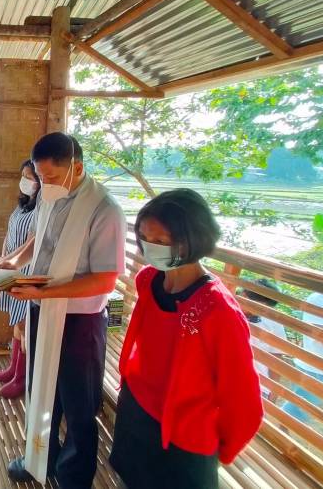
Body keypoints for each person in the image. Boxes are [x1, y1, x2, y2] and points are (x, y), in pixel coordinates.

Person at [110, 189, 263, 489]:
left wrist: (223, 451)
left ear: (191, 240)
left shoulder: (217, 310)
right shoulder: (149, 279)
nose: (149, 248)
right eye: (143, 237)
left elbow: (244, 402)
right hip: (137, 409)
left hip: (184, 435)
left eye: (160, 242)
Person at [0, 132, 127, 488]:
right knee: (41, 387)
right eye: (40, 178)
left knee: (78, 401)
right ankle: (40, 457)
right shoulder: (50, 194)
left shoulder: (105, 210)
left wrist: (46, 289)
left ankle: (73, 475)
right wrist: (14, 260)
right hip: (43, 307)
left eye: (52, 178)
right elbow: (41, 239)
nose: (45, 185)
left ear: (78, 167)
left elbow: (104, 280)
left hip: (80, 321)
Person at [0, 159, 40, 399]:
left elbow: (29, 244)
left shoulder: (42, 208)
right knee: (15, 320)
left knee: (23, 323)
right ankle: (13, 368)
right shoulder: (22, 205)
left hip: (25, 270)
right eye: (23, 176)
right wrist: (2, 257)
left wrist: (8, 262)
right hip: (9, 266)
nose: (25, 181)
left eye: (30, 177)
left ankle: (21, 377)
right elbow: (10, 234)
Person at [241, 279, 288, 402]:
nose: (258, 313)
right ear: (244, 295)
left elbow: (276, 358)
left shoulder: (273, 323)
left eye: (264, 309)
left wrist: (274, 391)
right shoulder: (225, 313)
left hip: (258, 389)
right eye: (257, 307)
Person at [283, 291, 323, 424]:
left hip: (314, 365)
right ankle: (277, 436)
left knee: (297, 407)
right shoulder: (319, 298)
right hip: (316, 368)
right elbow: (321, 335)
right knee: (295, 410)